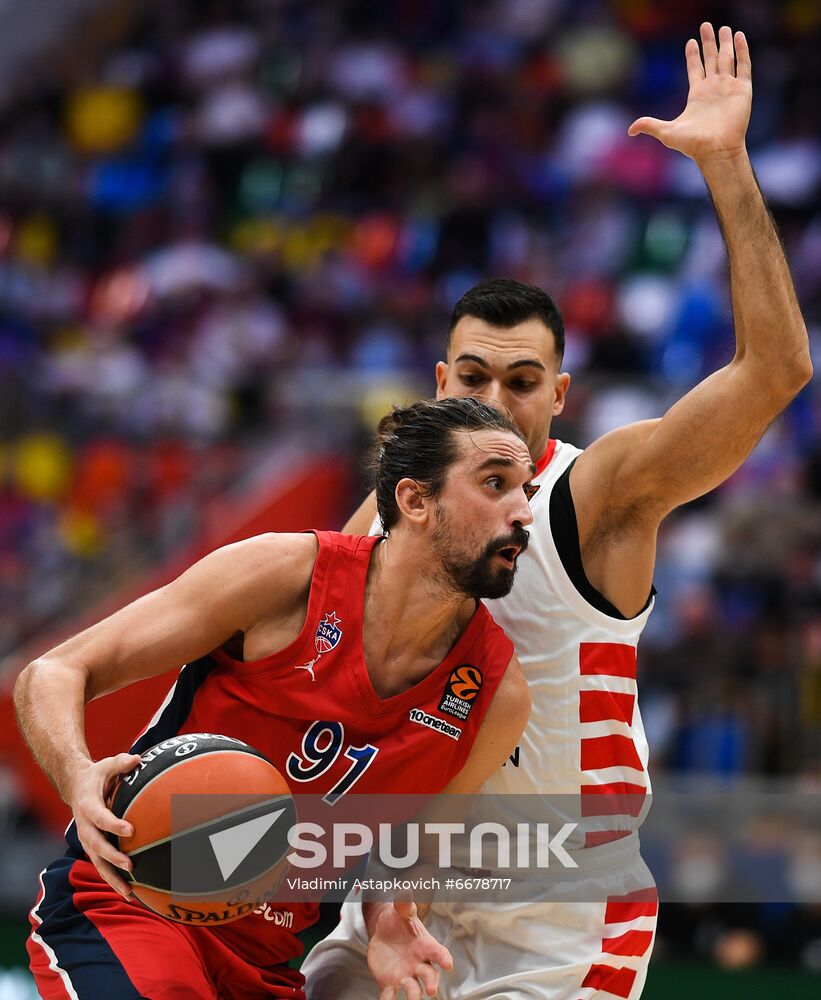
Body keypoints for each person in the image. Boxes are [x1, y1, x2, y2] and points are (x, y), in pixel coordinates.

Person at [301, 23, 812, 1000]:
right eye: (477, 377)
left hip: (559, 915)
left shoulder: (596, 494)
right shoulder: (381, 517)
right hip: (406, 885)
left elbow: (775, 369)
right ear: (439, 382)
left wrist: (724, 168)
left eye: (523, 381)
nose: (496, 402)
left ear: (560, 396)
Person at [16, 396, 538, 1000]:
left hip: (265, 966)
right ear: (415, 501)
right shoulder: (284, 577)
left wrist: (391, 919)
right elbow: (54, 671)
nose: (523, 512)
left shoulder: (497, 694)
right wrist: (76, 775)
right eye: (496, 484)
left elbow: (412, 854)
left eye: (524, 489)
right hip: (133, 906)